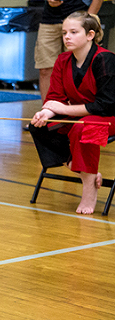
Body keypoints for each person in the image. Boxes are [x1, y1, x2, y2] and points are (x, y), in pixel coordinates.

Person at [29, 12, 115, 214]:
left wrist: (64, 110)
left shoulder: (105, 59)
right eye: (64, 32)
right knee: (38, 127)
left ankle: (89, 190)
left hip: (108, 117)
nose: (67, 36)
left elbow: (106, 105)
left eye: (74, 32)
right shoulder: (62, 60)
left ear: (90, 35)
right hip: (80, 115)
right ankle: (87, 173)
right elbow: (55, 97)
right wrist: (46, 113)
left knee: (82, 129)